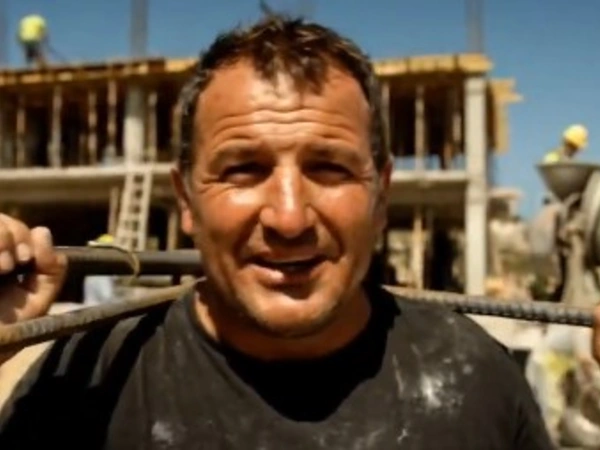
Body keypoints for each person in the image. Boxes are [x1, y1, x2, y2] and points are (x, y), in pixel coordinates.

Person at [0, 14, 553, 449]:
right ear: (187, 199)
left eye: (329, 168)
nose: (289, 219)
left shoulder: (478, 377)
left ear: (381, 197)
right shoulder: (90, 379)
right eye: (244, 169)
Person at [82, 234, 117, 306]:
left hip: (90, 306)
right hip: (98, 308)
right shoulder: (102, 271)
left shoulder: (93, 268)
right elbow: (107, 296)